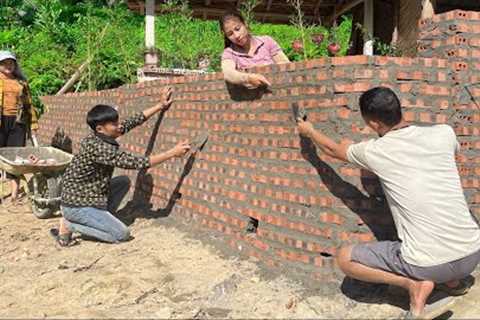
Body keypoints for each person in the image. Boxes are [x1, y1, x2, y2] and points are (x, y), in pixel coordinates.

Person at [296, 87, 480, 319]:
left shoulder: (377, 150)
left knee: (346, 258)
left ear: (374, 123)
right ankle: (453, 283)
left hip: (427, 265)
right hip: (473, 253)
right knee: (439, 234)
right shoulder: (445, 133)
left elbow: (333, 149)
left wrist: (309, 131)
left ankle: (413, 285)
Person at [50, 87, 190, 246]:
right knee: (122, 234)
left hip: (88, 196)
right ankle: (70, 225)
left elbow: (131, 122)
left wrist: (160, 105)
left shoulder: (100, 135)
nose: (119, 126)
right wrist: (173, 152)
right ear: (100, 128)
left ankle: (100, 218)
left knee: (123, 181)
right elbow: (138, 163)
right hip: (77, 206)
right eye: (114, 124)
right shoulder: (100, 148)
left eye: (117, 122)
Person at [0, 51, 38, 206]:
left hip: (17, 122)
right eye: (4, 63)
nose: (9, 66)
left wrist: (33, 123)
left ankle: (14, 194)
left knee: (15, 157)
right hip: (1, 121)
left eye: (11, 63)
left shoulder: (21, 82)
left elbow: (29, 105)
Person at [220, 11, 290, 89]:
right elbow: (228, 73)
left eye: (237, 29)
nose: (236, 35)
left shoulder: (267, 41)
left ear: (245, 24)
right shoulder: (229, 53)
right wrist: (247, 78)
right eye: (230, 34)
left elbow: (286, 65)